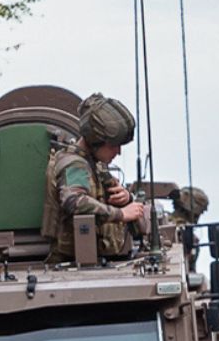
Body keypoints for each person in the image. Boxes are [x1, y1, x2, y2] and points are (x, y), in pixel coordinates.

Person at [48, 93, 150, 263]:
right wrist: (120, 214)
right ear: (95, 141)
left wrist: (126, 197)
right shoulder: (74, 164)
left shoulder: (95, 163)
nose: (118, 152)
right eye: (113, 146)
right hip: (74, 264)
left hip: (98, 260)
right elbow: (74, 200)